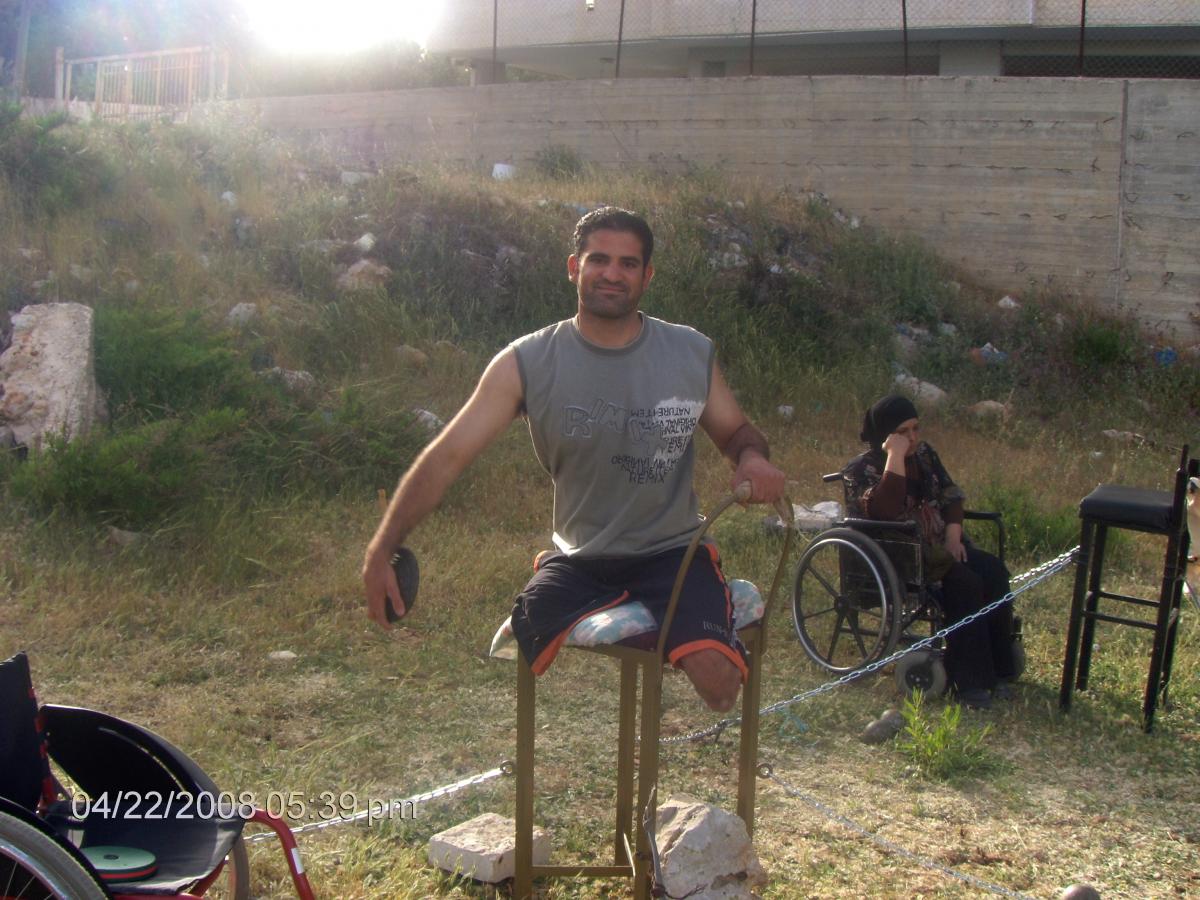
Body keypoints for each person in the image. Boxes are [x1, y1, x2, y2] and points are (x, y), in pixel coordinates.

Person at [363, 207, 786, 712]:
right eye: (599, 259)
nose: (613, 273)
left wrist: (753, 458)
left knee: (718, 688)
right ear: (573, 267)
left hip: (673, 551)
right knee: (526, 638)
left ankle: (725, 611)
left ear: (647, 276)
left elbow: (737, 432)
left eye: (629, 264)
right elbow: (447, 457)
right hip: (579, 558)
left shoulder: (688, 352)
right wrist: (382, 547)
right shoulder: (526, 362)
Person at [843, 394, 1016, 709]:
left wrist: (953, 534)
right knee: (965, 584)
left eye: (915, 429)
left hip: (938, 547)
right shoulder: (861, 469)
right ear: (886, 434)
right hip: (902, 557)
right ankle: (968, 683)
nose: (912, 437)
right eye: (903, 432)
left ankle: (1001, 669)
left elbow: (951, 494)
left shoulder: (924, 455)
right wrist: (894, 457)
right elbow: (884, 509)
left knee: (992, 571)